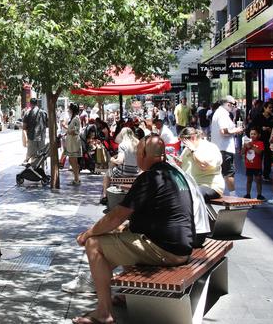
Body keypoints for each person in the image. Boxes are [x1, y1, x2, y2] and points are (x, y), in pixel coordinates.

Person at [72, 135, 195, 324]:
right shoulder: (173, 173)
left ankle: (104, 313)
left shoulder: (150, 177)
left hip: (165, 250)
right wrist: (125, 226)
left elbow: (116, 216)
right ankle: (130, 294)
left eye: (138, 153)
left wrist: (88, 233)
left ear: (144, 154)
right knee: (123, 234)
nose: (137, 158)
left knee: (94, 244)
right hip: (182, 247)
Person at [175, 127, 225, 205]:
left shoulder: (209, 147)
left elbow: (204, 165)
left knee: (190, 195)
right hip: (192, 185)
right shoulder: (187, 149)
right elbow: (182, 167)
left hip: (210, 186)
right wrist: (178, 163)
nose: (183, 145)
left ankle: (194, 217)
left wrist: (193, 151)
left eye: (184, 142)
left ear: (193, 138)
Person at [210, 96, 244, 195]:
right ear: (228, 104)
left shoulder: (220, 113)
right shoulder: (222, 114)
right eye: (234, 104)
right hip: (224, 148)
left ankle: (219, 194)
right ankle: (233, 196)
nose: (235, 107)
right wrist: (236, 130)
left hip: (221, 148)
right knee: (229, 173)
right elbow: (224, 131)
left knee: (222, 172)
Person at [100, 127, 139, 204]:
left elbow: (120, 161)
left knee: (107, 174)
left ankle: (104, 196)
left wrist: (112, 160)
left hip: (124, 173)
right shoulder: (137, 143)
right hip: (136, 173)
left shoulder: (122, 145)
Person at [250, 102, 273, 182]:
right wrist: (261, 128)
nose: (271, 109)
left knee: (268, 158)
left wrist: (270, 130)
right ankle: (257, 173)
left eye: (272, 108)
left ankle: (266, 174)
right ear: (265, 108)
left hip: (268, 140)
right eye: (269, 107)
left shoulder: (272, 118)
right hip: (259, 140)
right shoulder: (258, 117)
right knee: (258, 157)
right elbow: (253, 126)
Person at [22, 98, 48, 164]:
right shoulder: (44, 113)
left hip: (31, 137)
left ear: (30, 104)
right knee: (42, 155)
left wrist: (25, 138)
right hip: (42, 137)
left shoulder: (27, 113)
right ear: (37, 104)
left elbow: (24, 127)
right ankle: (42, 170)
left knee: (32, 155)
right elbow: (47, 125)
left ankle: (34, 170)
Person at [242, 127, 265, 200]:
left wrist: (251, 146)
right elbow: (242, 152)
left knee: (258, 180)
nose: (252, 135)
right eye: (251, 134)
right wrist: (245, 146)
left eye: (254, 134)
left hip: (257, 166)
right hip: (249, 165)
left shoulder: (260, 143)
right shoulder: (247, 143)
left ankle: (259, 194)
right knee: (249, 180)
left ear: (258, 135)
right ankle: (248, 194)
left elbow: (259, 152)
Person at [65, 103, 82, 186]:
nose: (68, 110)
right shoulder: (74, 118)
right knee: (72, 160)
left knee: (73, 160)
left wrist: (67, 130)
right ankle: (76, 178)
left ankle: (76, 179)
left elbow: (74, 131)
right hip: (72, 142)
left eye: (69, 108)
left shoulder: (76, 118)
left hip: (74, 142)